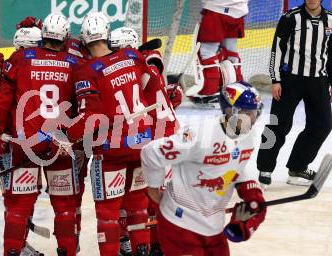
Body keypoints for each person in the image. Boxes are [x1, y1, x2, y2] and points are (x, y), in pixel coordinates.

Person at [66, 12, 156, 256]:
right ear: (108, 35)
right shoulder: (132, 56)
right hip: (142, 144)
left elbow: (90, 118)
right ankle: (143, 250)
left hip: (111, 151)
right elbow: (153, 89)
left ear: (85, 41)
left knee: (108, 213)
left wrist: (65, 136)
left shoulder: (87, 71)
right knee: (138, 205)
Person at [141, 82, 267, 256]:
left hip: (214, 228)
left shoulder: (249, 136)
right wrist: (153, 189)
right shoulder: (198, 134)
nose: (252, 119)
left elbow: (236, 163)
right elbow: (151, 153)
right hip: (179, 226)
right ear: (229, 111)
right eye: (247, 113)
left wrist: (250, 190)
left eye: (255, 112)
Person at [0, 13, 77, 256]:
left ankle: (13, 251)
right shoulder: (73, 63)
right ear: (65, 37)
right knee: (65, 205)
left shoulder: (20, 58)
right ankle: (67, 250)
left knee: (18, 206)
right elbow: (82, 106)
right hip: (60, 145)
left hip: (25, 144)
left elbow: (0, 101)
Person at [109, 26, 180, 256]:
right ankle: (157, 242)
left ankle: (143, 241)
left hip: (156, 138)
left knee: (137, 195)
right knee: (152, 195)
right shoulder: (147, 62)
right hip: (166, 135)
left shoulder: (138, 68)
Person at [257, 0, 332, 188]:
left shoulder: (330, 20)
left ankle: (297, 167)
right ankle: (264, 169)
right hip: (290, 80)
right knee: (278, 125)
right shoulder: (291, 18)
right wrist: (275, 80)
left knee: (322, 125)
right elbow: (277, 49)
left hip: (319, 81)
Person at [188, 0, 248, 104]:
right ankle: (238, 87)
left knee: (207, 52)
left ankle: (210, 92)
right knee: (230, 50)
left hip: (216, 9)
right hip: (238, 11)